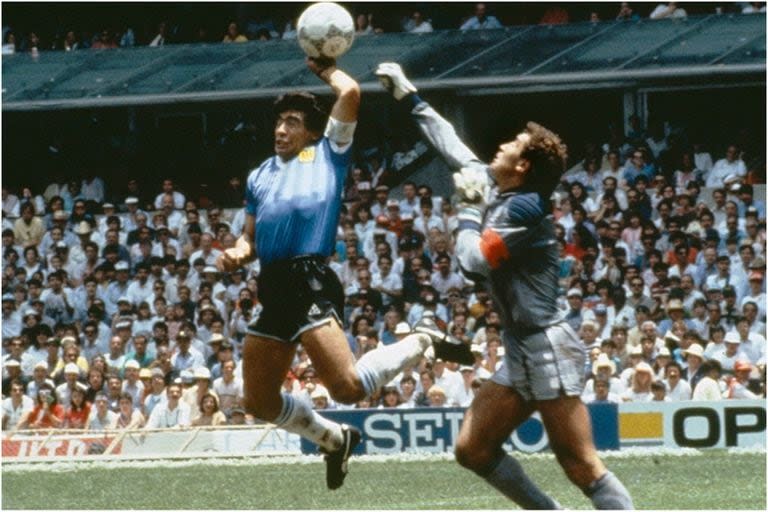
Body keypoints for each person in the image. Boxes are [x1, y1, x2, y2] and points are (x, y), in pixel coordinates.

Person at [374, 62, 633, 509]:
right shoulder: (504, 190)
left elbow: (473, 264)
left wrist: (468, 212)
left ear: (524, 164)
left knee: (580, 465)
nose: (502, 144)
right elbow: (452, 146)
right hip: (522, 347)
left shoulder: (524, 209)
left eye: (513, 143)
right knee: (472, 448)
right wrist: (409, 95)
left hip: (548, 346)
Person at [216, 57, 469, 490]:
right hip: (273, 284)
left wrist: (324, 68)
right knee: (257, 399)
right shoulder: (259, 175)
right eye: (278, 122)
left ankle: (422, 338)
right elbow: (249, 239)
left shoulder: (328, 153)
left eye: (292, 122)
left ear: (312, 131)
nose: (281, 130)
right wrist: (237, 254)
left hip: (311, 276)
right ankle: (334, 439)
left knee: (348, 389)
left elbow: (350, 92)